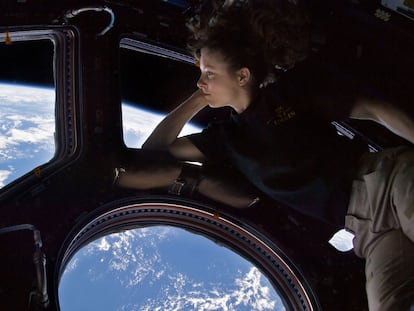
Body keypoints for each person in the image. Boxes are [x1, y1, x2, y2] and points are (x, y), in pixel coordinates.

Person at [115, 0, 414, 309]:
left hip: (388, 183)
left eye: (210, 73)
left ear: (242, 76)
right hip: (366, 229)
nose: (201, 82)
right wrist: (196, 100)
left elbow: (374, 109)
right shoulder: (226, 139)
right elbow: (153, 153)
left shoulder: (290, 93)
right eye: (201, 72)